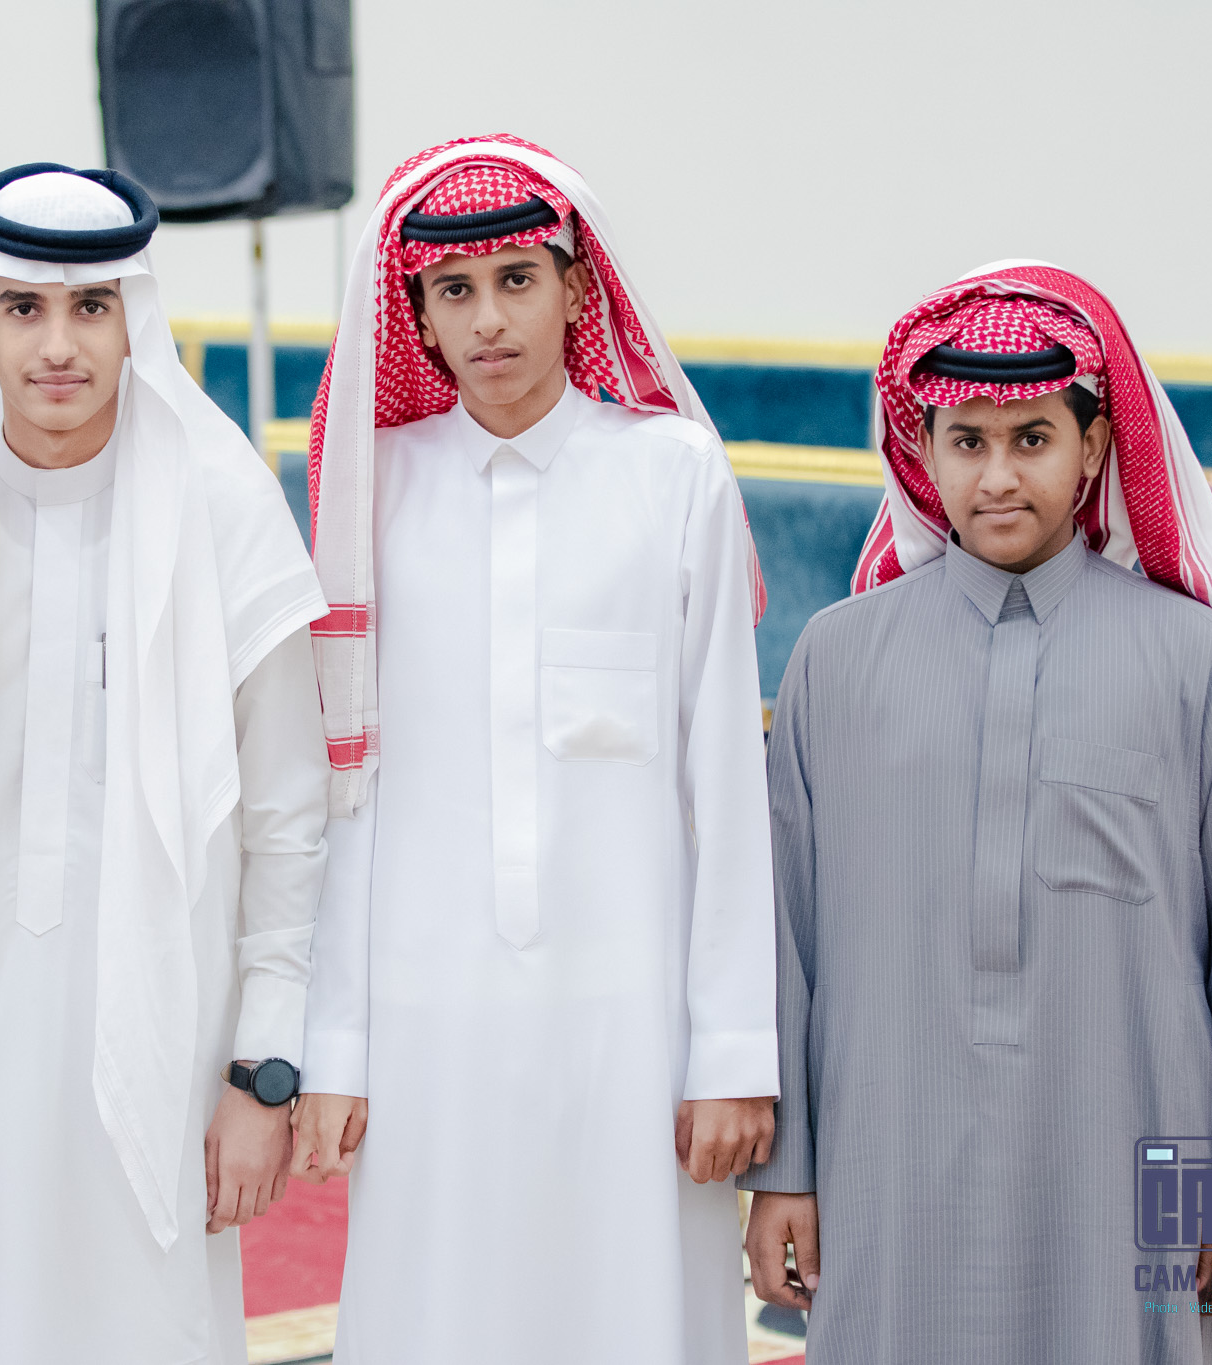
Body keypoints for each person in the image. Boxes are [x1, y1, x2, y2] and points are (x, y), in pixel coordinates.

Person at [0, 165, 329, 1364]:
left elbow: (287, 817)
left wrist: (260, 1070)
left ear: (133, 318)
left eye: (90, 307)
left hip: (165, 1043)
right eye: (23, 309)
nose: (56, 345)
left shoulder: (219, 502)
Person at [741, 262, 1212, 1361]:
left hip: (1147, 1154)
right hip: (884, 1154)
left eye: (1032, 439)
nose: (997, 476)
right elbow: (785, 941)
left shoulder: (1195, 659)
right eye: (967, 441)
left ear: (1091, 449)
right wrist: (785, 1175)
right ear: (922, 451)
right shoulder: (836, 660)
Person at [291, 135, 778, 1364]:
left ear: (574, 287)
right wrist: (333, 1046)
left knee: (630, 1316)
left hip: (633, 1017)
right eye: (453, 290)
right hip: (424, 1020)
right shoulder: (374, 490)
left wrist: (730, 1053)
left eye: (516, 280)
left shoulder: (670, 474)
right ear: (416, 316)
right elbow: (347, 791)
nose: (489, 319)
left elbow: (724, 784)